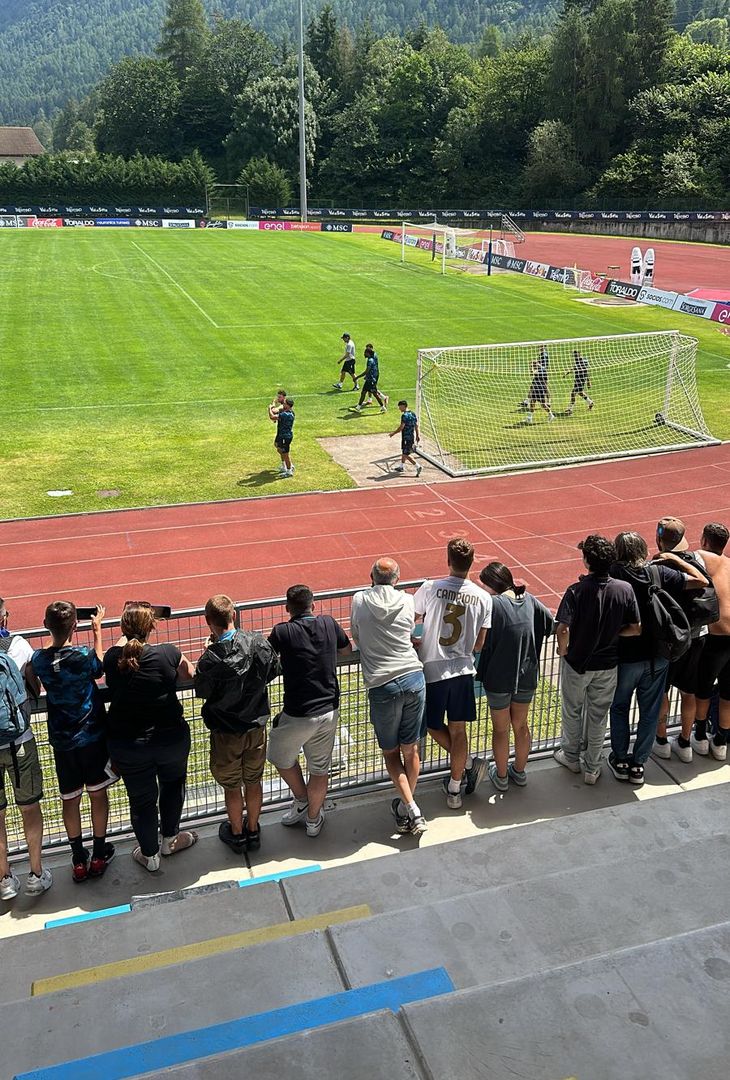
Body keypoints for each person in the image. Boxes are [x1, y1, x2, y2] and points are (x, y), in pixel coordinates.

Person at [103, 602, 197, 872]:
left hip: (129, 746)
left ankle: (150, 856)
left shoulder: (113, 658)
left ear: (122, 628)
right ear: (152, 627)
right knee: (172, 787)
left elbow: (113, 659)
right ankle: (170, 840)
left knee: (142, 801)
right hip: (170, 740)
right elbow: (189, 673)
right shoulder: (168, 653)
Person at [607, 532, 705, 785]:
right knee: (649, 712)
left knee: (619, 707)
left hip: (625, 656)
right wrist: (674, 558)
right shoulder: (657, 573)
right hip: (657, 656)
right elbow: (700, 580)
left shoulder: (615, 573)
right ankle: (639, 764)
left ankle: (619, 758)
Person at [29, 602, 117, 882]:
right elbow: (99, 667)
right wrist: (97, 631)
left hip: (62, 741)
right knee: (97, 794)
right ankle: (100, 853)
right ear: (74, 626)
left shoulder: (40, 660)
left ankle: (78, 858)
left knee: (70, 799)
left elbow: (36, 669)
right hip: (91, 737)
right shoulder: (81, 656)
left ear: (46, 625)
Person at [194, 594, 279, 854]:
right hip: (255, 728)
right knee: (253, 781)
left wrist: (209, 651)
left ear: (208, 622)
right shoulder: (257, 642)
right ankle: (253, 830)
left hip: (226, 733)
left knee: (232, 787)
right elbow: (274, 670)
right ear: (234, 615)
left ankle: (237, 834)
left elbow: (203, 690)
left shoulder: (211, 660)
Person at [554, 535, 641, 784]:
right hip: (608, 664)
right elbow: (635, 628)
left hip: (577, 663)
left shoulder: (576, 590)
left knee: (572, 711)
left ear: (587, 562)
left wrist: (563, 650)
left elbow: (562, 628)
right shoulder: (624, 589)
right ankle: (592, 767)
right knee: (598, 715)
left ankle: (571, 756)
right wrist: (614, 633)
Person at [267, 585, 351, 837]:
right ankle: (313, 820)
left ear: (287, 608)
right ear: (312, 605)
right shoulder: (328, 623)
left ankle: (302, 799)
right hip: (328, 709)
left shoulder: (282, 631)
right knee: (319, 769)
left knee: (278, 756)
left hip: (298, 712)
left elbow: (268, 658)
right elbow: (346, 650)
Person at [351, 558, 427, 836]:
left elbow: (356, 635)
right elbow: (408, 633)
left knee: (391, 753)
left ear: (371, 576)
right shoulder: (407, 601)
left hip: (382, 683)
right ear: (397, 578)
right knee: (412, 749)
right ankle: (408, 807)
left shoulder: (359, 599)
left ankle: (411, 808)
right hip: (413, 676)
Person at [413, 538, 491, 809]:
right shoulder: (483, 597)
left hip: (433, 669)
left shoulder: (430, 588)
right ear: (472, 563)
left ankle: (468, 763)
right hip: (463, 670)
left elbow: (411, 618)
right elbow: (480, 644)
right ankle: (456, 788)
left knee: (432, 725)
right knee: (459, 731)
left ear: (448, 561)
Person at [476, 563, 554, 791]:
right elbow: (549, 623)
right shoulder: (528, 599)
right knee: (521, 726)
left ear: (492, 585)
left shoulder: (493, 604)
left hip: (499, 678)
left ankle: (500, 776)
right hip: (526, 675)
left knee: (500, 730)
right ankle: (519, 772)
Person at [658, 525, 730, 761]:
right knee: (727, 694)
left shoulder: (703, 557)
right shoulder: (729, 564)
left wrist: (670, 557)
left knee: (701, 689)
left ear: (704, 541)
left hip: (715, 637)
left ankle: (697, 736)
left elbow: (694, 573)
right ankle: (720, 743)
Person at [0, 600, 52, 899]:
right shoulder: (18, 646)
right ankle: (35, 873)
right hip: (19, 740)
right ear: (3, 617)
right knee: (29, 807)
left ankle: (5, 878)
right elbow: (35, 687)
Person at [389, 400, 422, 476]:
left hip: (406, 438)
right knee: (404, 451)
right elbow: (416, 426)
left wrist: (393, 433)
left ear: (404, 406)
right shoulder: (413, 414)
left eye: (400, 407)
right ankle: (401, 466)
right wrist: (417, 435)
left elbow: (401, 427)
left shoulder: (404, 416)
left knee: (406, 454)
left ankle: (418, 466)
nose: (399, 409)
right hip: (411, 437)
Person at [523, 345, 554, 423]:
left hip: (540, 389)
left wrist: (531, 367)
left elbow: (532, 373)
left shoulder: (541, 370)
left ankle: (551, 415)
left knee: (543, 405)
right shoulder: (542, 369)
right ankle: (529, 418)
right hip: (537, 388)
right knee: (532, 402)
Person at [354, 344, 388, 413]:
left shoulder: (370, 361)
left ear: (368, 353)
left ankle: (383, 406)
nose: (364, 354)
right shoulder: (370, 359)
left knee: (375, 394)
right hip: (369, 379)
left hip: (371, 380)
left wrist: (357, 377)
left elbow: (367, 371)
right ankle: (358, 407)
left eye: (365, 353)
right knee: (363, 392)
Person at [269, 395, 295, 477]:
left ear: (288, 405)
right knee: (277, 446)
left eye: (284, 403)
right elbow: (277, 412)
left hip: (285, 436)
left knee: (285, 454)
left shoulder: (286, 414)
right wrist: (274, 403)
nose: (283, 404)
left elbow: (272, 417)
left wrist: (269, 409)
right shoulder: (287, 412)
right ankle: (285, 465)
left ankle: (289, 470)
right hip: (281, 434)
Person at [565, 350, 594, 415]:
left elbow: (586, 371)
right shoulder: (579, 360)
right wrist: (568, 372)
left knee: (573, 393)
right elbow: (575, 368)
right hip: (578, 379)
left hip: (580, 379)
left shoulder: (582, 361)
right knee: (580, 392)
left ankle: (570, 409)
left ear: (578, 355)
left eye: (575, 355)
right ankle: (590, 402)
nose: (574, 357)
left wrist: (588, 382)